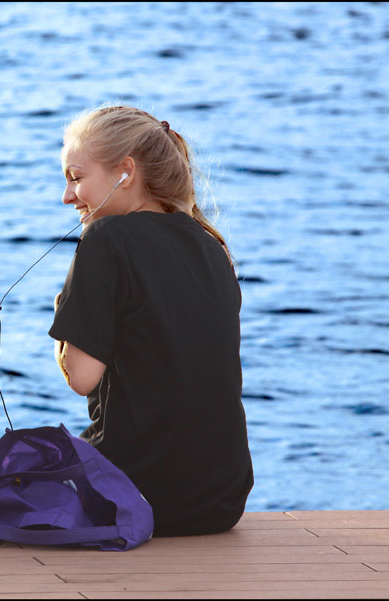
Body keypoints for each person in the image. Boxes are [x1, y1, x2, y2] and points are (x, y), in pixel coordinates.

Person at [48, 105, 254, 536]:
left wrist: (62, 327)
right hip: (221, 500)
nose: (67, 196)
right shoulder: (211, 245)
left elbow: (81, 377)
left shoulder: (105, 239)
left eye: (76, 177)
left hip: (137, 494)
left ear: (126, 171)